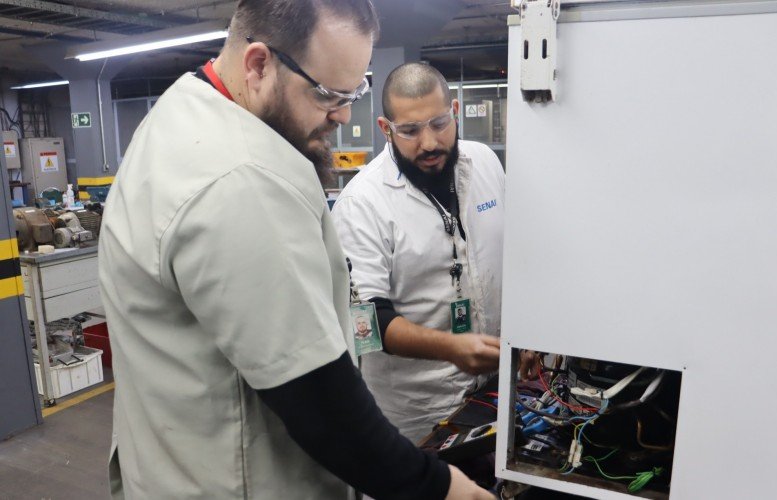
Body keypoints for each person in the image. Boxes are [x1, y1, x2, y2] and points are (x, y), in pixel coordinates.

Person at [98, 2, 492, 499]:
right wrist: (439, 486)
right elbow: (319, 400)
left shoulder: (184, 111)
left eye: (355, 91)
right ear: (259, 63)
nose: (345, 114)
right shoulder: (241, 182)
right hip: (237, 480)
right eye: (328, 93)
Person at [332, 62, 505, 442]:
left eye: (440, 123)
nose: (428, 142)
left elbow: (517, 258)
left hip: (495, 393)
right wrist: (452, 349)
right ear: (385, 129)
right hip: (416, 416)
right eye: (409, 131)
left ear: (455, 111)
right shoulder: (363, 204)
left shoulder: (487, 166)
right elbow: (369, 324)